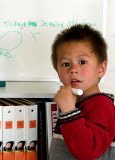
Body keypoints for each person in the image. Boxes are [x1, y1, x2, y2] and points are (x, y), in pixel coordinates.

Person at [49, 24, 115, 160]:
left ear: (101, 69)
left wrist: (68, 111)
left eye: (82, 62)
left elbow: (88, 152)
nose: (73, 69)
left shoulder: (101, 104)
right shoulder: (73, 102)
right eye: (66, 64)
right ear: (58, 72)